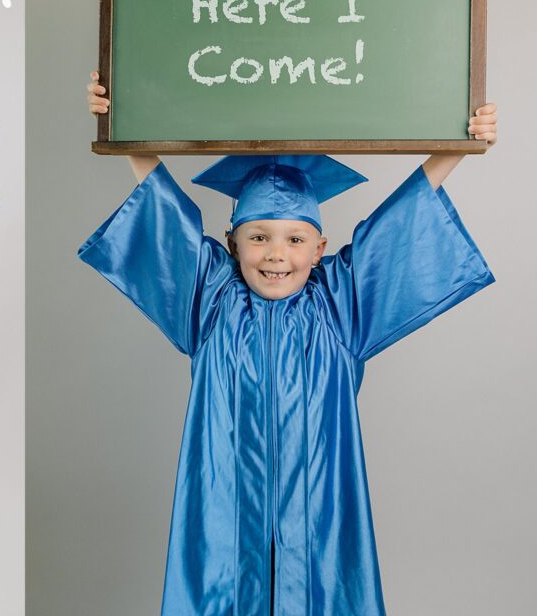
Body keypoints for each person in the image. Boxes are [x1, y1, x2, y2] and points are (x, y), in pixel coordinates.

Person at [80, 71, 497, 616]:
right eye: (258, 237)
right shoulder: (210, 300)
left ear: (321, 247)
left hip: (320, 513)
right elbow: (166, 213)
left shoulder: (342, 306)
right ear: (231, 244)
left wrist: (460, 147)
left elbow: (400, 222)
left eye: (295, 239)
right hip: (226, 511)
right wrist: (123, 121)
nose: (277, 254)